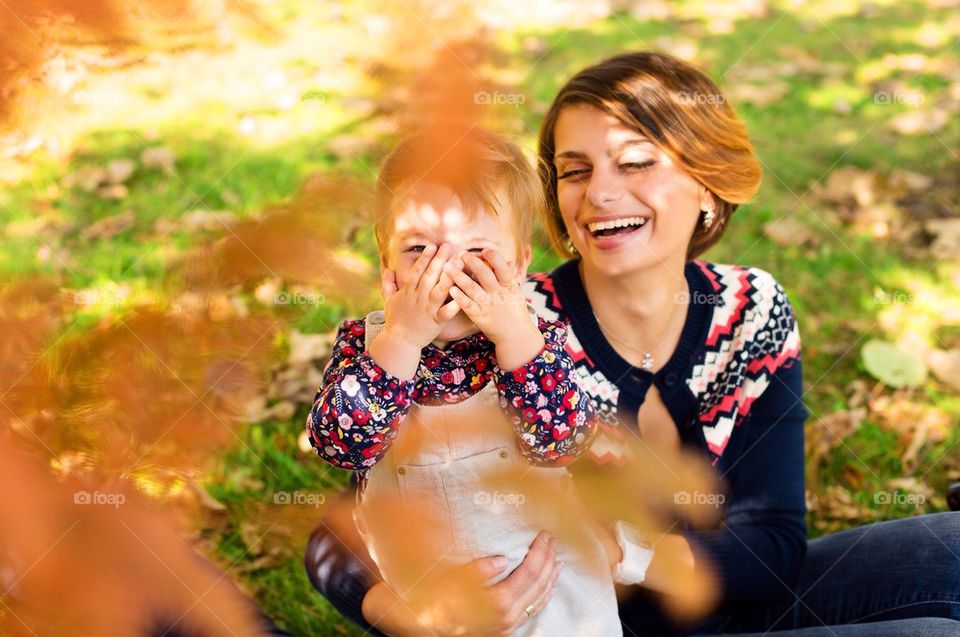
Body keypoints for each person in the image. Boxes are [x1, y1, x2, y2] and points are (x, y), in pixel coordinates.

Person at [305, 52, 960, 636]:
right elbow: (338, 527)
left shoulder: (749, 311)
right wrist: (408, 610)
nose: (601, 194)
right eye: (574, 171)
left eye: (636, 162)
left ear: (706, 184)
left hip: (730, 602)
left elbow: (773, 547)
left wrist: (630, 554)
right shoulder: (503, 323)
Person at [305, 128, 622, 636]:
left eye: (477, 249)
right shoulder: (367, 347)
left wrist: (516, 339)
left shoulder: (535, 340)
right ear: (385, 261)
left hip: (551, 592)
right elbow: (341, 446)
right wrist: (402, 342)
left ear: (519, 264)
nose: (448, 270)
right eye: (418, 250)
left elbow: (563, 442)